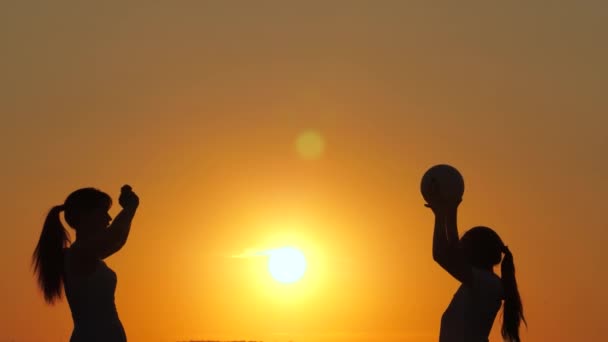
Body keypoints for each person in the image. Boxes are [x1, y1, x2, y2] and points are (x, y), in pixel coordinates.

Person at [32, 185, 139, 342]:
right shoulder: (78, 253)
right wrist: (130, 207)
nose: (108, 218)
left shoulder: (86, 253)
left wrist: (130, 209)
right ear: (85, 216)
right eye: (103, 211)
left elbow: (115, 239)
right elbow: (115, 237)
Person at [425, 196, 526, 342]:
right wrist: (451, 210)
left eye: (464, 245)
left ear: (475, 251)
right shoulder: (486, 282)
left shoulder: (485, 282)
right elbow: (454, 248)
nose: (460, 249)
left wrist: (441, 215)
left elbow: (441, 254)